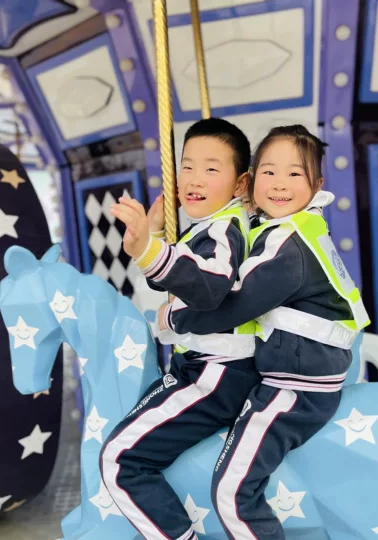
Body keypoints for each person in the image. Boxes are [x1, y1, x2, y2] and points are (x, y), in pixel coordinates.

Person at [158, 125, 370, 539]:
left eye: (294, 174)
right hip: (300, 370)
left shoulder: (288, 245)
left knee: (231, 489)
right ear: (251, 181)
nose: (279, 184)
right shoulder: (293, 227)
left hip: (296, 386)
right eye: (269, 172)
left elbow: (233, 304)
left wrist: (174, 318)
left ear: (317, 185)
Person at [100, 117, 261, 540]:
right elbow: (171, 282)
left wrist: (150, 248)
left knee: (119, 459)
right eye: (186, 166)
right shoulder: (205, 228)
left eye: (211, 168)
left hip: (218, 373)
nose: (194, 178)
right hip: (199, 365)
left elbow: (208, 285)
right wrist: (155, 233)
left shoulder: (226, 230)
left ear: (240, 183)